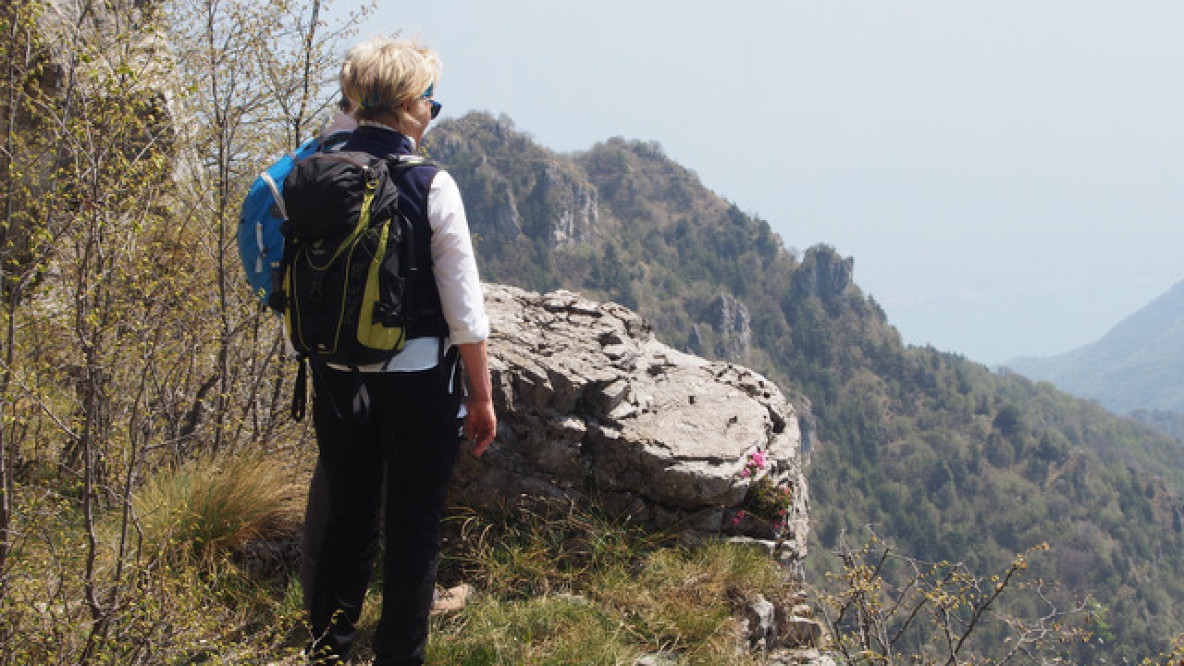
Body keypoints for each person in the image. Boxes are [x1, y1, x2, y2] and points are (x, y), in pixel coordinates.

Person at [300, 36, 497, 665]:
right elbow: (464, 308)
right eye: (431, 103)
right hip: (415, 381)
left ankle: (327, 651)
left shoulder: (317, 171)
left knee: (347, 518)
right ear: (414, 105)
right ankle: (398, 658)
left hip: (332, 372)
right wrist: (482, 393)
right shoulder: (430, 184)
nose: (433, 113)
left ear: (354, 100)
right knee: (412, 528)